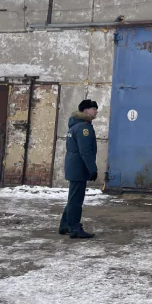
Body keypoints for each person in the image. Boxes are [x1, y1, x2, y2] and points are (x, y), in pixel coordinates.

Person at [59, 99, 99, 239]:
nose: (96, 111)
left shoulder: (75, 125)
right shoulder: (84, 127)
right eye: (94, 109)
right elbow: (85, 151)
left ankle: (65, 225)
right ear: (86, 110)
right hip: (79, 167)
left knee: (73, 198)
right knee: (76, 200)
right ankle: (74, 228)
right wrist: (92, 169)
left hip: (74, 166)